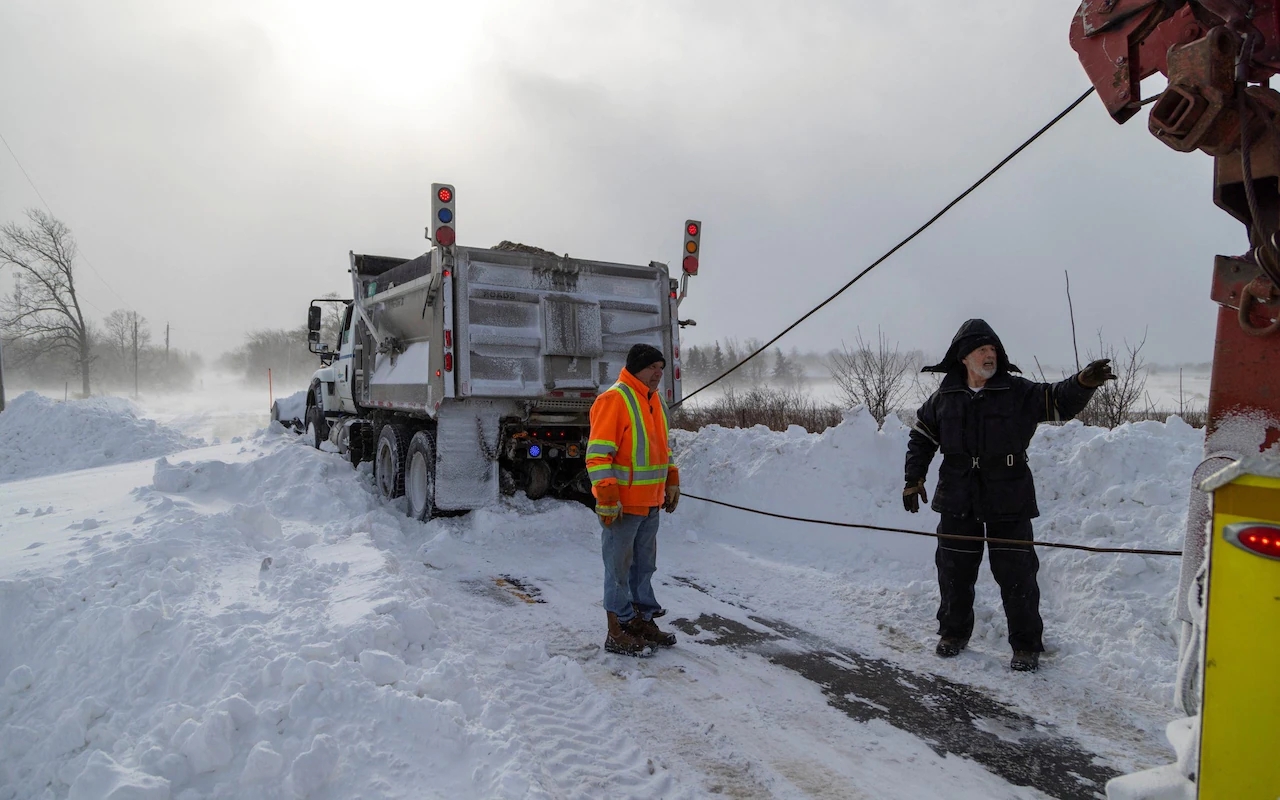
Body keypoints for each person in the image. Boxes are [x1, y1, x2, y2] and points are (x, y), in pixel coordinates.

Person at [903, 319, 1115, 672]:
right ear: (963, 357)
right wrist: (913, 479)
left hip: (1008, 495)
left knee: (1017, 574)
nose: (990, 356)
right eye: (982, 350)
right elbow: (922, 438)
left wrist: (1082, 383)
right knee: (953, 571)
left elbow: (1057, 400)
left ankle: (1026, 644)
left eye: (993, 350)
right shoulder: (944, 398)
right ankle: (953, 633)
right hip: (957, 495)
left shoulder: (1017, 392)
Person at [587, 343, 681, 657]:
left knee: (643, 568)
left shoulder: (656, 402)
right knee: (618, 569)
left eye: (661, 368)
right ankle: (616, 630)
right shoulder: (615, 399)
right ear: (636, 368)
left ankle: (640, 621)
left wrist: (671, 478)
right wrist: (608, 496)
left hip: (650, 502)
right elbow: (598, 455)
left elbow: (662, 448)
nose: (658, 374)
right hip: (623, 506)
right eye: (653, 367)